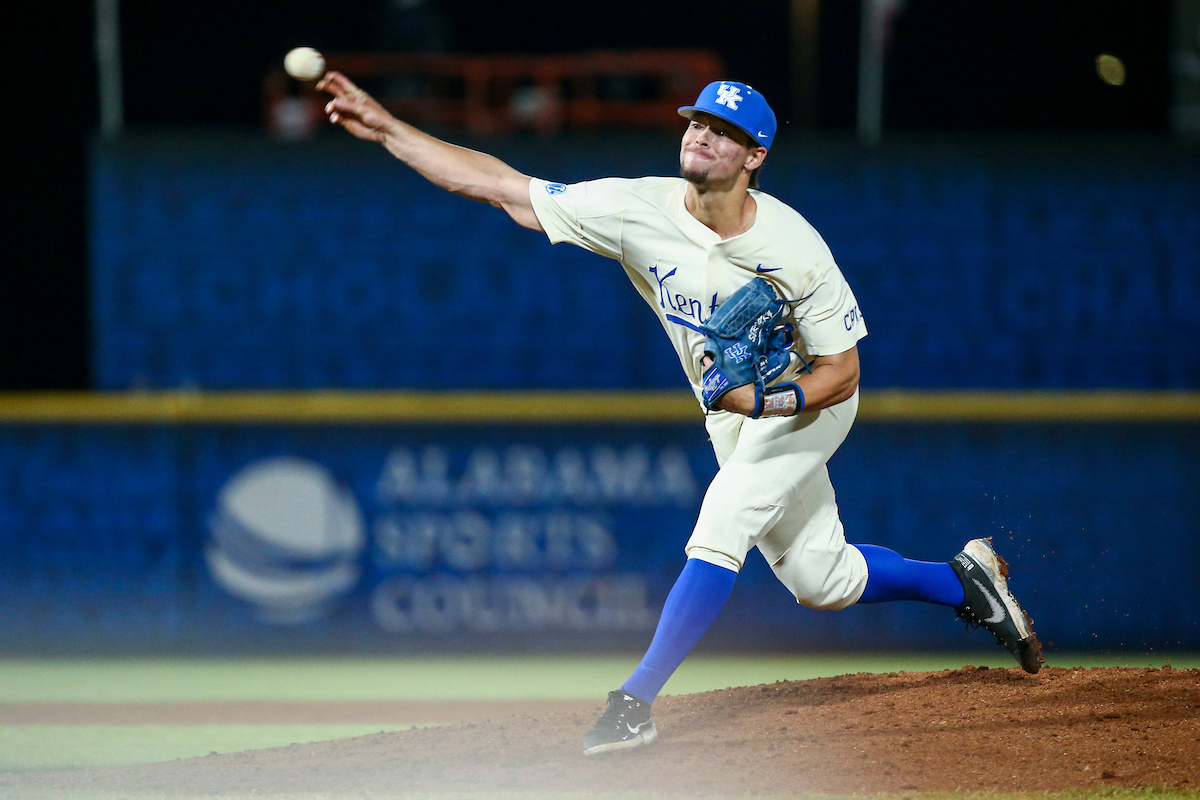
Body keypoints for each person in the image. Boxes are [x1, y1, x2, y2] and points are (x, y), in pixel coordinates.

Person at [317, 73, 1044, 757]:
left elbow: (843, 372)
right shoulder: (636, 208)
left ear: (755, 156)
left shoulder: (796, 249)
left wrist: (767, 399)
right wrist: (387, 128)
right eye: (697, 120)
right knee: (821, 583)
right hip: (734, 416)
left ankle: (634, 702)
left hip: (806, 405)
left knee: (725, 513)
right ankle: (962, 581)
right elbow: (498, 186)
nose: (702, 133)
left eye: (724, 130)